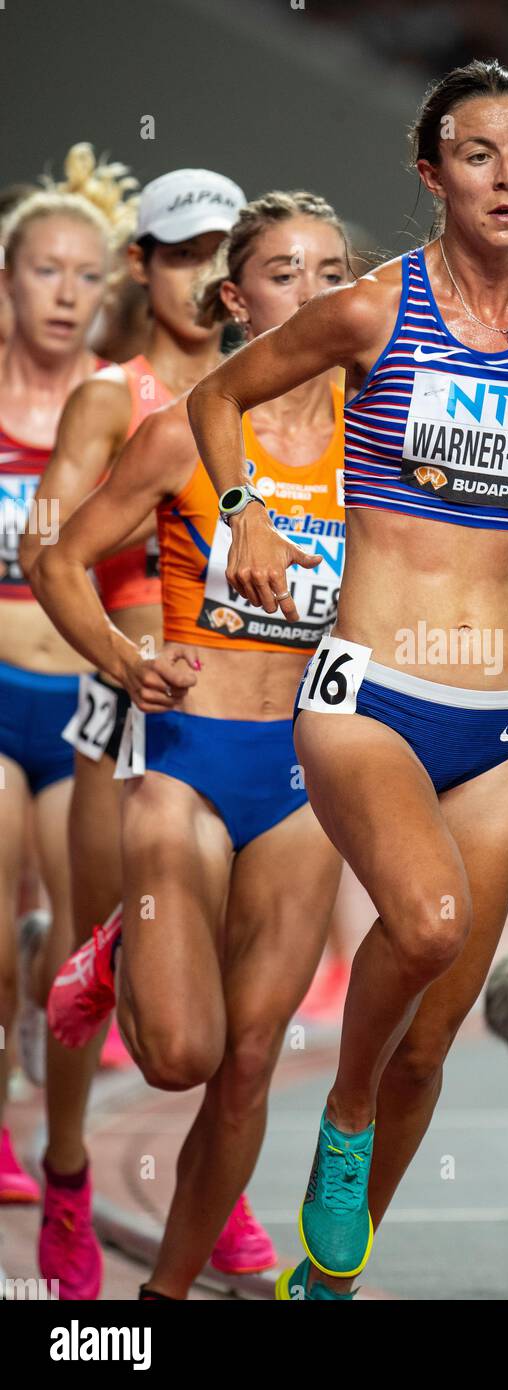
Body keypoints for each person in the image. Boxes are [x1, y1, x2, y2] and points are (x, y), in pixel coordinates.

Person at [186, 58, 508, 1299]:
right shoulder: (369, 311)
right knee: (428, 923)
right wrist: (242, 508)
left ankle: (325, 1282)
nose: (504, 176)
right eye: (476, 154)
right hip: (371, 690)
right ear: (431, 174)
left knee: (434, 1043)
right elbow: (219, 394)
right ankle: (341, 1118)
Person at [32, 190, 353, 1300]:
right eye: (282, 273)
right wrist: (126, 666)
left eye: (330, 272)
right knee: (179, 1057)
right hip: (190, 758)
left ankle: (166, 1298)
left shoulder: (381, 434)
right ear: (235, 296)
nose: (311, 293)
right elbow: (58, 562)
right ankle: (116, 949)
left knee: (253, 1062)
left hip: (307, 776)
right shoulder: (179, 431)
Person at [20, 164, 250, 1300]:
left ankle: (227, 1186)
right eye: (182, 254)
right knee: (87, 953)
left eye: (224, 251)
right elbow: (41, 550)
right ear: (145, 270)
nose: (206, 274)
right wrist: (120, 660)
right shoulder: (114, 397)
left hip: (253, 705)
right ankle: (67, 1175)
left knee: (239, 961)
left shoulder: (278, 389)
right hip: (129, 700)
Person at [0, 163, 125, 1206]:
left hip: (83, 703)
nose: (65, 292)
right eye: (44, 270)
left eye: (86, 275)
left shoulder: (121, 406)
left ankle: (57, 1099)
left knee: (84, 951)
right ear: (8, 283)